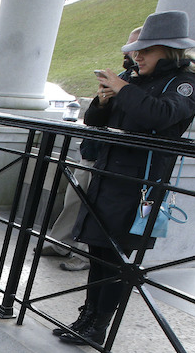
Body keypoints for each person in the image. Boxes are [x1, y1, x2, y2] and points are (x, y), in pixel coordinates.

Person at [57, 10, 195, 346]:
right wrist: (103, 100)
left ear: (169, 51)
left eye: (146, 51)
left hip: (136, 185)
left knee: (115, 259)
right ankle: (87, 316)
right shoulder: (137, 82)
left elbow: (162, 115)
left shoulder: (186, 84)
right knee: (98, 252)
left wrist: (122, 87)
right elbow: (97, 122)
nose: (136, 56)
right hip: (108, 176)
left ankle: (99, 325)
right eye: (136, 50)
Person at [51, 27, 142, 273]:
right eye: (128, 46)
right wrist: (102, 101)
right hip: (93, 151)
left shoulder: (138, 85)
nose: (129, 52)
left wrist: (122, 92)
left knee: (96, 210)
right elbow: (92, 118)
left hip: (114, 159)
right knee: (75, 198)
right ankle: (60, 242)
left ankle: (83, 255)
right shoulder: (120, 77)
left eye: (134, 46)